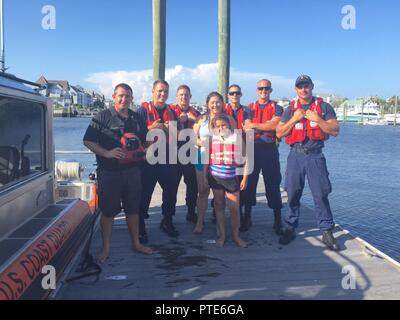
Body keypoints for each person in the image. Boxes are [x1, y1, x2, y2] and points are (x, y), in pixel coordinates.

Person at [83, 83, 153, 263]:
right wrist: (106, 153)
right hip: (109, 172)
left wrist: (145, 148)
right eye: (121, 96)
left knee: (133, 209)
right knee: (108, 211)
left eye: (128, 96)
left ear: (132, 98)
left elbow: (144, 141)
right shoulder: (103, 116)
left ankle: (136, 243)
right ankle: (106, 249)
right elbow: (88, 141)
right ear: (114, 97)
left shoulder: (137, 118)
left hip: (133, 171)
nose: (125, 99)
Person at [276, 75, 340, 251]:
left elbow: (334, 130)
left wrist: (317, 119)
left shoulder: (324, 107)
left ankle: (326, 230)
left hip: (315, 156)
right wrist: (294, 119)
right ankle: (290, 226)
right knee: (292, 192)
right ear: (296, 89)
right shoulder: (290, 110)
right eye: (300, 86)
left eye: (306, 86)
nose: (304, 89)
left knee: (320, 193)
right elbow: (279, 133)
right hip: (295, 156)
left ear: (312, 87)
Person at [137, 80, 180, 242]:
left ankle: (167, 221)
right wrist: (151, 128)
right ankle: (140, 226)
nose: (163, 94)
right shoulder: (142, 111)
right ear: (153, 91)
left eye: (166, 91)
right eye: (160, 91)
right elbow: (135, 135)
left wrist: (169, 129)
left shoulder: (172, 112)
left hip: (167, 157)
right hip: (148, 159)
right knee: (145, 193)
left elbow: (177, 136)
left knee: (170, 193)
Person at [242, 79, 284, 234]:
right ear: (257, 90)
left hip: (269, 150)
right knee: (249, 184)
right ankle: (247, 217)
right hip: (253, 149)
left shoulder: (277, 108)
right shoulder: (249, 108)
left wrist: (254, 125)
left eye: (266, 88)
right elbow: (246, 126)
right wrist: (260, 125)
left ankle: (277, 220)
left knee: (273, 185)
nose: (263, 91)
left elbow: (274, 125)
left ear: (271, 90)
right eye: (261, 88)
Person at [192, 92, 236, 234]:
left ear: (223, 103)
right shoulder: (201, 119)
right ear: (207, 104)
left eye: (218, 102)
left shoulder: (228, 118)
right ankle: (199, 222)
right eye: (212, 102)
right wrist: (206, 142)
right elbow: (193, 139)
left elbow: (235, 138)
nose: (215, 104)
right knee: (203, 191)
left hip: (221, 160)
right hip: (202, 156)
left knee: (220, 195)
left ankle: (220, 226)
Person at [205, 113, 248, 248]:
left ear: (229, 125)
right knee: (218, 205)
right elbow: (207, 160)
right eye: (217, 126)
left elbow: (246, 160)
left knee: (234, 209)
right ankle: (222, 235)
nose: (221, 128)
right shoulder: (212, 139)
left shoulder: (237, 138)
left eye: (223, 125)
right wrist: (205, 178)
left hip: (231, 179)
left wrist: (245, 178)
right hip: (215, 177)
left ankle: (236, 236)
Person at [224, 84, 253, 229]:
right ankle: (218, 214)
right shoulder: (223, 110)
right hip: (226, 152)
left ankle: (245, 215)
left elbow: (249, 128)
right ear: (228, 95)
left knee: (243, 185)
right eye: (232, 93)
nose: (234, 95)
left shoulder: (247, 111)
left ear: (241, 95)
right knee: (224, 182)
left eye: (237, 93)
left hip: (242, 149)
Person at [170, 85, 200, 224]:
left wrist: (195, 121)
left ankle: (191, 211)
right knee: (171, 185)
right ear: (176, 96)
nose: (184, 97)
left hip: (190, 152)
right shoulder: (170, 111)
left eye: (186, 95)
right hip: (173, 153)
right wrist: (178, 121)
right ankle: (168, 216)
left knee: (192, 184)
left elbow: (202, 133)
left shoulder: (196, 113)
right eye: (181, 95)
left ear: (190, 96)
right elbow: (166, 129)